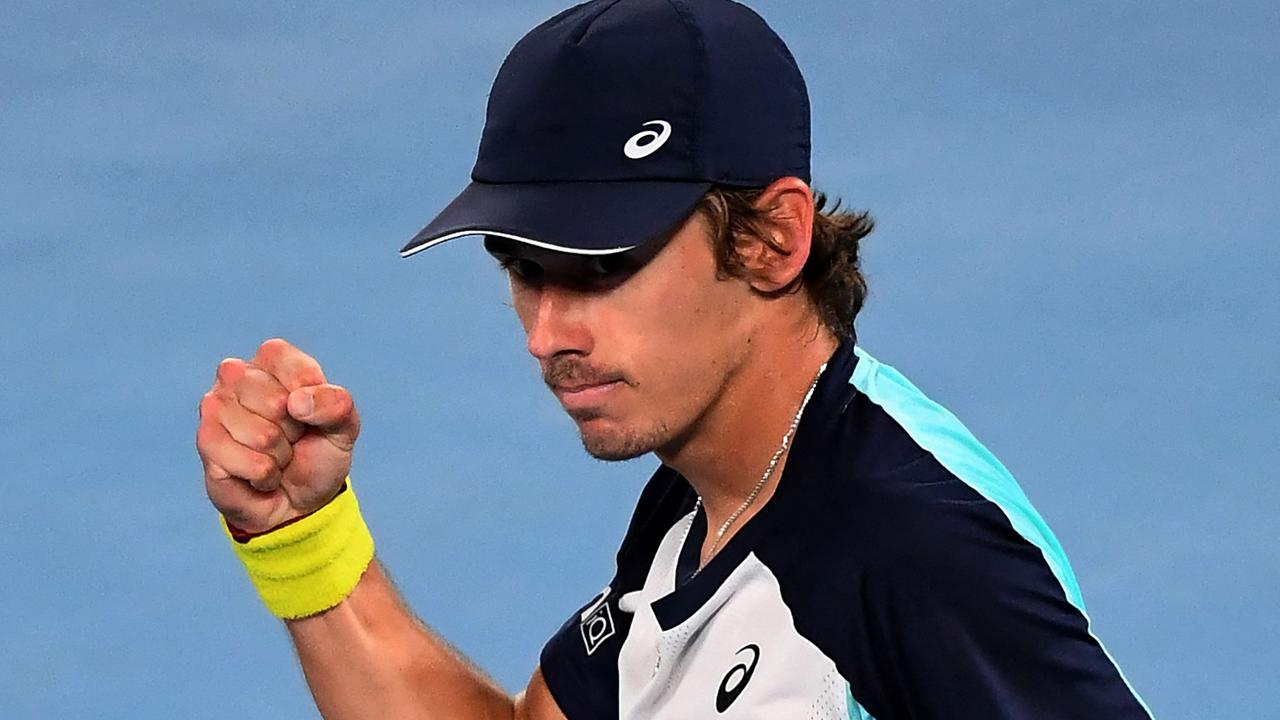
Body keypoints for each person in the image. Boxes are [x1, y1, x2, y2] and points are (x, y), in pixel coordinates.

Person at [195, 1, 1155, 718]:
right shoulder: (716, 493)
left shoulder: (910, 549)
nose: (547, 334)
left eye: (603, 267)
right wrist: (304, 535)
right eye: (525, 272)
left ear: (773, 239)